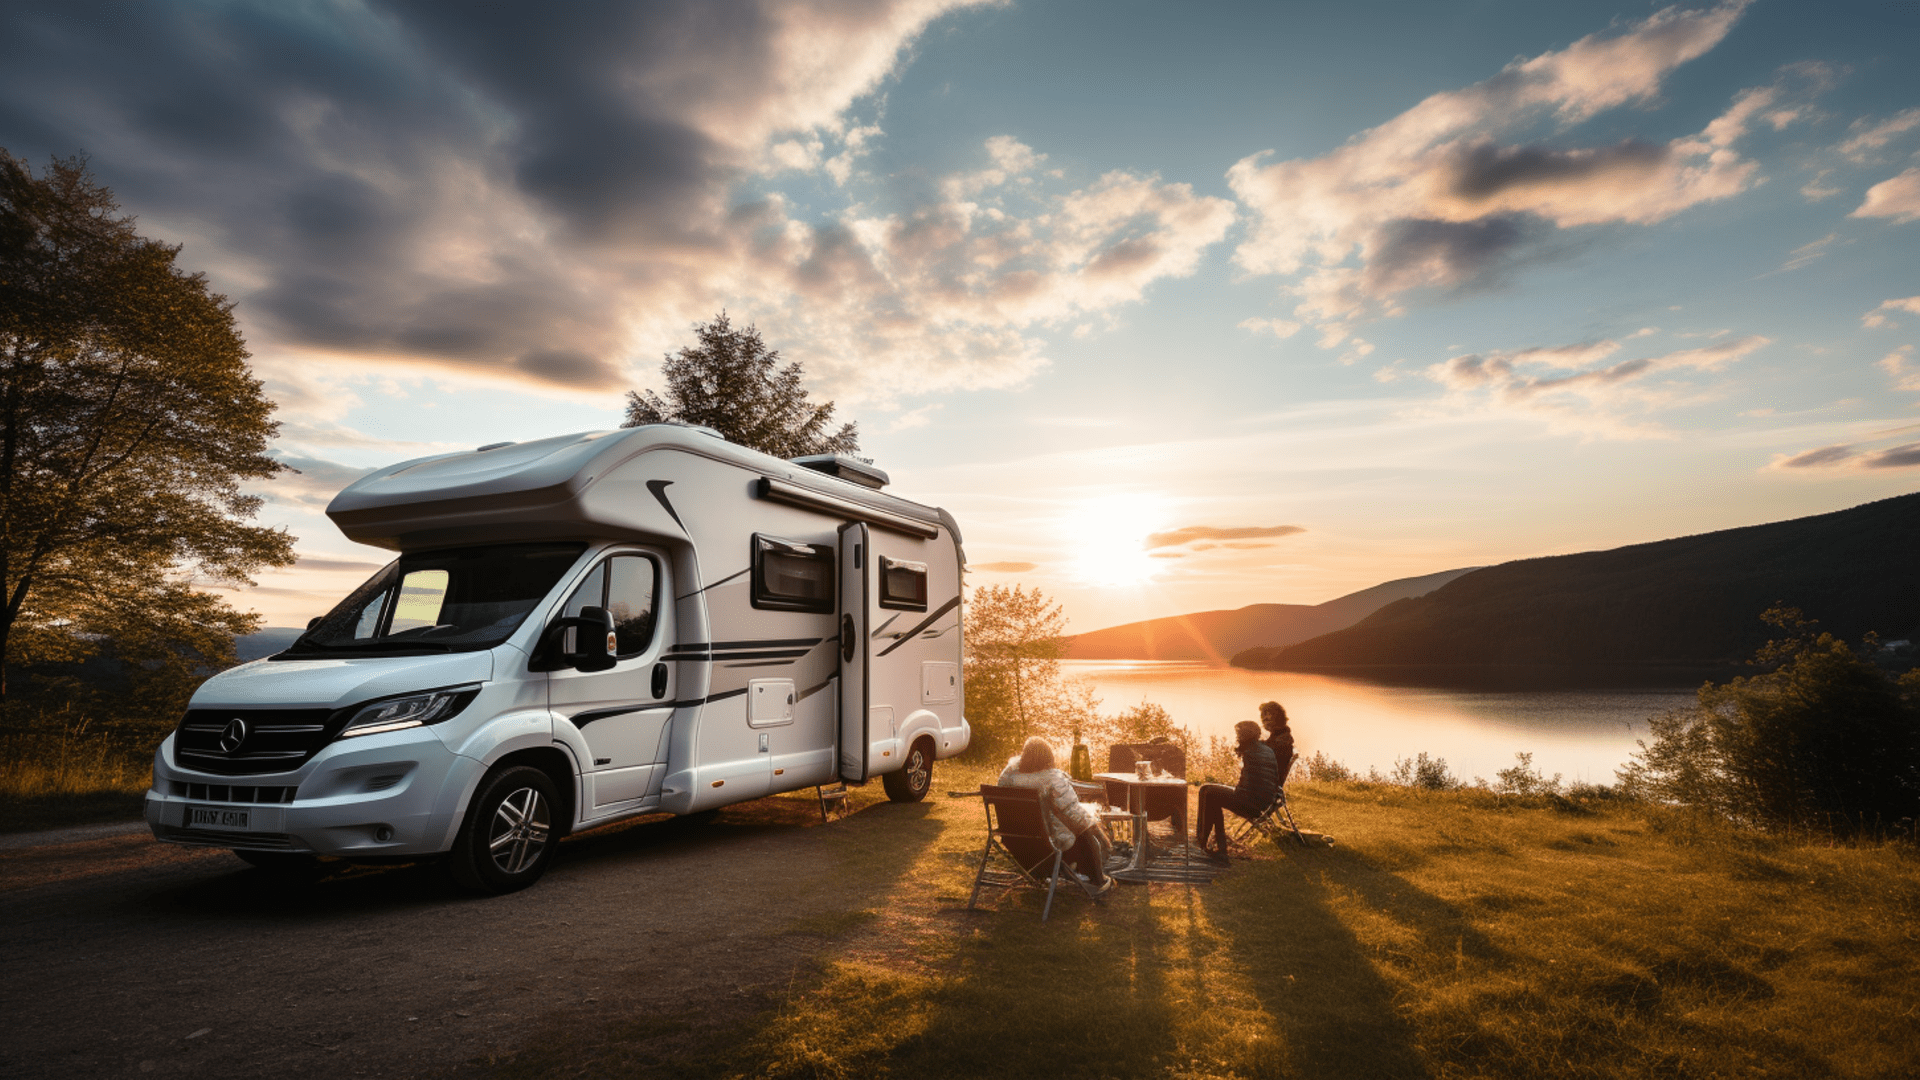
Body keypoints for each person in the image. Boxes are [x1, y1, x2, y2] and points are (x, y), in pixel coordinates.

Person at [998, 736, 1114, 892]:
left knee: (1072, 825)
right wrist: (1100, 834)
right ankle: (1099, 881)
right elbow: (1077, 816)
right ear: (1048, 758)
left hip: (1017, 843)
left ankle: (1068, 872)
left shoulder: (1008, 777)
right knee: (1086, 834)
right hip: (1049, 847)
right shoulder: (1052, 780)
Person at [1193, 720, 1279, 862]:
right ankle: (1206, 843)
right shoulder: (1265, 749)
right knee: (1206, 789)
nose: (1237, 737)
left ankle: (1210, 847)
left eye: (1238, 734)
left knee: (1209, 794)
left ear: (1245, 736)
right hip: (1264, 801)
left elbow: (1244, 788)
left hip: (1251, 803)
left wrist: (1233, 792)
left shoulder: (1250, 752)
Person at [1259, 701, 1295, 781]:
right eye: (1263, 718)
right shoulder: (1281, 738)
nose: (1264, 720)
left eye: (1267, 717)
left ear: (1278, 717)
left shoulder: (1282, 742)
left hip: (1264, 788)